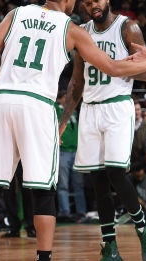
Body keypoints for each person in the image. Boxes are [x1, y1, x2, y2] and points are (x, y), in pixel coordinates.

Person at [0, 0, 146, 261]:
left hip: (2, 100)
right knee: (42, 189)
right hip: (37, 105)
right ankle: (44, 257)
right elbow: (111, 68)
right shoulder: (73, 29)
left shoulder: (17, 13)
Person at [59, 0, 146, 261]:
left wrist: (137, 62)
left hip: (117, 107)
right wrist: (64, 120)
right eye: (88, 4)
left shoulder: (128, 28)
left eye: (96, 1)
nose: (93, 6)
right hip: (90, 110)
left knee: (116, 172)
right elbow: (77, 81)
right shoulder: (82, 33)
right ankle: (110, 246)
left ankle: (142, 228)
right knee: (98, 181)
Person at [55, 89, 86, 220]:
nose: (68, 99)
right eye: (65, 97)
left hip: (76, 151)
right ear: (60, 99)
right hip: (63, 151)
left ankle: (82, 211)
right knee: (62, 184)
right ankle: (65, 212)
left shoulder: (74, 110)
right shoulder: (56, 109)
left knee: (78, 184)